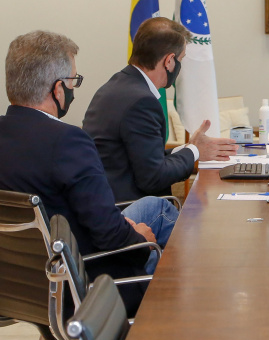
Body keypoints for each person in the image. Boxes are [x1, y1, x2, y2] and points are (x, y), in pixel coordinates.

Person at [0, 31, 178, 314]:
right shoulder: (67, 141)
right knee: (173, 254)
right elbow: (110, 237)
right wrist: (141, 240)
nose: (73, 89)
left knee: (156, 207)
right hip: (87, 283)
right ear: (58, 89)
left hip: (24, 284)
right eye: (73, 81)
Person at [83, 17, 237, 202]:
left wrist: (189, 148)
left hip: (105, 203)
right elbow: (153, 178)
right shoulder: (141, 102)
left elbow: (142, 157)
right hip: (128, 212)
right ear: (170, 61)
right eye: (181, 59)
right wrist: (194, 151)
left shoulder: (115, 86)